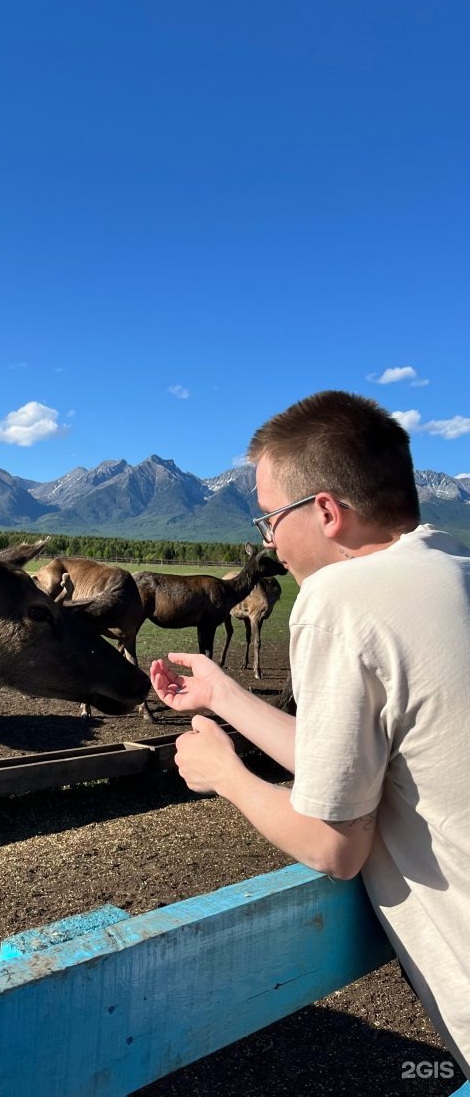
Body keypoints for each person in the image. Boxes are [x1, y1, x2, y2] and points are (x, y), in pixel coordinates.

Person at [150, 390, 470, 1074]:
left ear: (324, 510)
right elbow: (356, 764)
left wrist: (224, 775)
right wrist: (225, 697)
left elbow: (333, 845)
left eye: (270, 519)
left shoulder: (341, 596)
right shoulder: (452, 573)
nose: (270, 542)